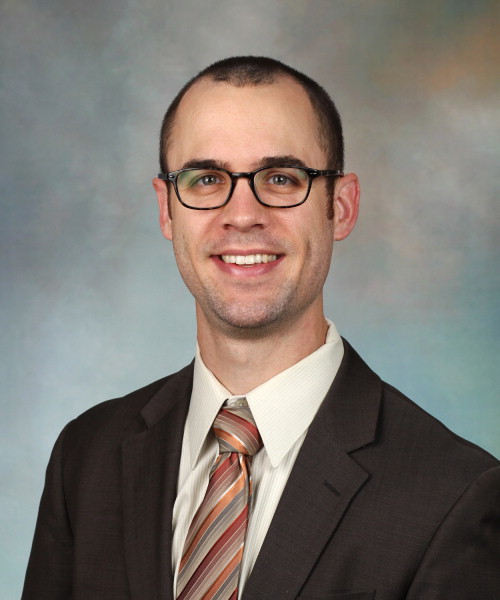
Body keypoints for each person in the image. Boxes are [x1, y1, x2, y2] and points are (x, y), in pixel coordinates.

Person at [23, 56, 500, 600]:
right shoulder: (86, 456)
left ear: (341, 207)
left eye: (280, 178)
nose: (243, 214)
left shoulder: (454, 495)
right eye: (207, 179)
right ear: (167, 210)